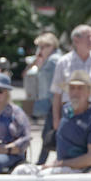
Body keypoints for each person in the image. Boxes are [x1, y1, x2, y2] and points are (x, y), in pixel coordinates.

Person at [50, 25, 91, 131]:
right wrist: (56, 119)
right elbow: (57, 95)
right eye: (88, 37)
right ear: (76, 40)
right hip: (71, 110)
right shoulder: (63, 62)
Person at [42, 70, 91, 174]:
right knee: (22, 171)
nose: (75, 92)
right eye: (72, 88)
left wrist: (61, 163)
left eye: (80, 88)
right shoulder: (66, 109)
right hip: (60, 165)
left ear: (88, 92)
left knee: (41, 178)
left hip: (80, 171)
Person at [30, 32, 61, 165]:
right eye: (40, 46)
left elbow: (57, 84)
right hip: (50, 101)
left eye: (44, 46)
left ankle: (44, 162)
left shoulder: (54, 61)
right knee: (49, 135)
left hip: (53, 102)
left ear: (52, 45)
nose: (41, 49)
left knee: (49, 135)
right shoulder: (48, 60)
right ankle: (46, 161)